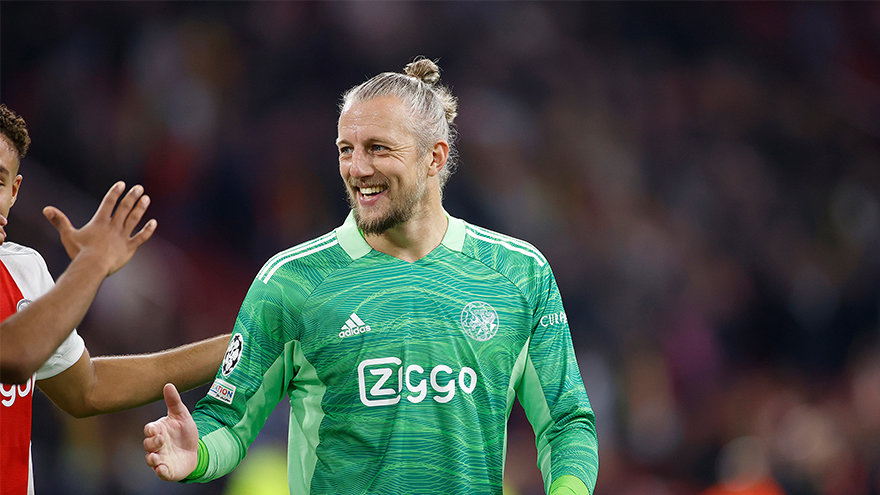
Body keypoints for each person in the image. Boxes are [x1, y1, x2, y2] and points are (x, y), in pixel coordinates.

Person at [143, 58, 599, 494]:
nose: (357, 169)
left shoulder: (517, 273)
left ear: (434, 157)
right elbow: (228, 420)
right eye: (347, 150)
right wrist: (198, 451)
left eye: (378, 148)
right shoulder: (292, 281)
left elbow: (566, 422)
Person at [0, 103, 231, 495]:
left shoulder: (24, 271)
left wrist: (245, 344)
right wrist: (93, 263)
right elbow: (14, 355)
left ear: (14, 191)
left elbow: (86, 388)